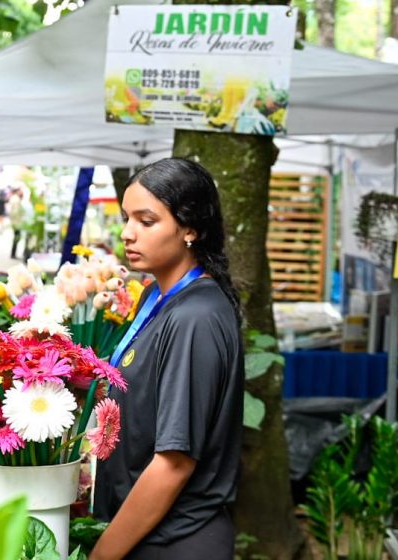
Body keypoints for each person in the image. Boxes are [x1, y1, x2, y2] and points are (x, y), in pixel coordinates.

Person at [91, 158, 244, 560]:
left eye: (146, 221)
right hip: (141, 531)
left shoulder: (195, 317)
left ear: (190, 229)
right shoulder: (154, 296)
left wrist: (102, 555)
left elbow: (173, 463)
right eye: (126, 218)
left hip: (175, 541)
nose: (127, 234)